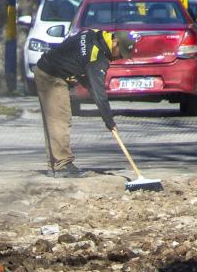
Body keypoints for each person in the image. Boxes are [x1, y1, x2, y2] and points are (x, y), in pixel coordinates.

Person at [33, 28, 136, 177]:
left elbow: (82, 64)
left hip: (48, 69)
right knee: (60, 120)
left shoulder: (95, 34)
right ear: (115, 43)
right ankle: (62, 166)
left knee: (55, 120)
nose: (118, 58)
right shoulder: (98, 56)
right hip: (51, 76)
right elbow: (99, 93)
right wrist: (109, 120)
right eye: (120, 54)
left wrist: (90, 86)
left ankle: (56, 165)